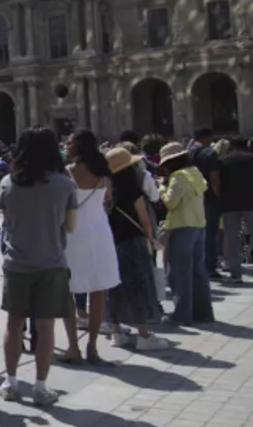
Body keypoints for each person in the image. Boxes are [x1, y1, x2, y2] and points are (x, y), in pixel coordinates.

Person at [0, 127, 76, 406]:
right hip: (51, 262)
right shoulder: (65, 184)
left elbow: (7, 220)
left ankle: (11, 381)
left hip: (17, 262)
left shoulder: (7, 183)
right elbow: (71, 226)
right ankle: (41, 386)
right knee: (46, 326)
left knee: (14, 323)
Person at [58, 130, 121, 365]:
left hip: (74, 232)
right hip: (99, 231)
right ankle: (92, 346)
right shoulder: (104, 172)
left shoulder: (68, 172)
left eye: (69, 142)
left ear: (78, 146)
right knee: (98, 289)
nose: (66, 145)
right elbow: (108, 199)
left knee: (67, 289)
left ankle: (72, 346)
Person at [104, 147, 170, 351]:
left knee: (114, 288)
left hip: (111, 243)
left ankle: (116, 332)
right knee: (139, 286)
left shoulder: (106, 191)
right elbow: (144, 219)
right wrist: (150, 239)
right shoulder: (132, 190)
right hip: (133, 241)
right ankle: (143, 335)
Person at [160, 143, 215, 324]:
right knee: (198, 273)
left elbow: (170, 202)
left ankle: (181, 315)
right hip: (198, 225)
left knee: (179, 273)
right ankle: (204, 313)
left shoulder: (178, 177)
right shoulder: (195, 172)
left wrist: (161, 188)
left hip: (181, 226)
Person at [217, 137, 253, 284]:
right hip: (251, 202)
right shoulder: (251, 159)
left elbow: (217, 181)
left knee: (232, 240)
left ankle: (236, 274)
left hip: (229, 204)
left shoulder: (223, 161)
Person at [188, 128, 223, 278]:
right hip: (208, 197)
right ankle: (209, 267)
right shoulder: (209, 153)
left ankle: (196, 266)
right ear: (207, 137)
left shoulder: (187, 152)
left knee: (193, 232)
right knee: (210, 232)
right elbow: (214, 176)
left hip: (190, 196)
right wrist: (219, 194)